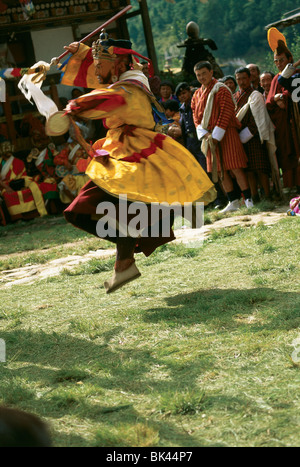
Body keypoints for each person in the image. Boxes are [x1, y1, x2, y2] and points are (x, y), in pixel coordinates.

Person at [59, 34, 216, 293]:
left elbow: (108, 98)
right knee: (107, 211)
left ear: (119, 63)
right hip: (124, 152)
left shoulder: (127, 90)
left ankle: (125, 261)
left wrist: (75, 105)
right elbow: (101, 80)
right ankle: (124, 262)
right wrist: (83, 53)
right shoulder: (125, 78)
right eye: (94, 63)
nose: (95, 69)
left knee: (85, 208)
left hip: (135, 157)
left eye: (99, 63)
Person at [191, 61, 253, 213]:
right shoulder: (197, 94)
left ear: (212, 72)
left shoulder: (221, 89)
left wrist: (216, 134)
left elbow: (226, 111)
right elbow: (195, 116)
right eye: (198, 75)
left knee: (235, 167)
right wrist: (205, 134)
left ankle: (249, 199)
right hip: (208, 136)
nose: (201, 77)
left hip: (226, 132)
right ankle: (233, 201)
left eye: (204, 73)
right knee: (219, 170)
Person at [266, 28, 300, 193]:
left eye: (281, 60)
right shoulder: (275, 79)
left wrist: (283, 98)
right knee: (286, 153)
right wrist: (275, 99)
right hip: (282, 124)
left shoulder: (297, 73)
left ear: (289, 59)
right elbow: (268, 101)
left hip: (295, 118)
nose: (278, 64)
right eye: (276, 61)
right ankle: (290, 185)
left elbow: (294, 94)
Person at [234, 67, 271, 202]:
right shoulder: (235, 96)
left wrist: (247, 133)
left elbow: (260, 118)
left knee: (260, 169)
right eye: (239, 79)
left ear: (249, 78)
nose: (242, 82)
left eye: (244, 78)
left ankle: (267, 195)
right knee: (248, 170)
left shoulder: (255, 94)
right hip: (240, 137)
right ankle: (254, 197)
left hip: (254, 136)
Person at [0, 140, 48, 222]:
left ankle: (31, 215)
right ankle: (16, 217)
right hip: (3, 186)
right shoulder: (0, 162)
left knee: (30, 189)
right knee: (7, 194)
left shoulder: (17, 161)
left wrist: (23, 184)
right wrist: (7, 187)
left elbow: (23, 174)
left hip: (18, 183)